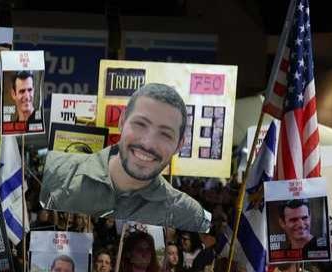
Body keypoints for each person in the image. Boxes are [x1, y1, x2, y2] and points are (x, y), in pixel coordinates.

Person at [40, 83, 212, 232]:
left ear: (179, 145)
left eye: (165, 134)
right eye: (140, 124)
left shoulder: (188, 216)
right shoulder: (54, 170)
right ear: (122, 121)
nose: (147, 143)